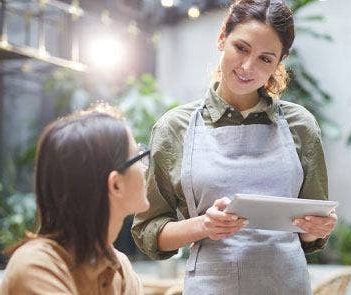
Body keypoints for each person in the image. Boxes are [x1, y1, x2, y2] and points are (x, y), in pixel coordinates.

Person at [131, 0, 337, 293]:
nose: (247, 67)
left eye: (266, 59)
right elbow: (148, 231)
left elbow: (311, 234)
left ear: (279, 62)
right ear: (221, 38)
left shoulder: (300, 125)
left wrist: (317, 228)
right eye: (241, 48)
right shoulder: (174, 128)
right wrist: (204, 226)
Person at [0, 104, 149, 294]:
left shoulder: (120, 268)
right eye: (138, 157)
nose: (145, 168)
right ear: (116, 184)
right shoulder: (36, 266)